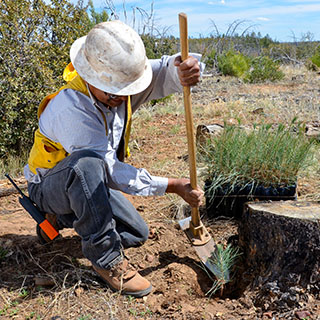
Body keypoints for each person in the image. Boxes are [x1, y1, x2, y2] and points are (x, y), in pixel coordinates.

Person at [24, 20, 204, 298]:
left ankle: (59, 217)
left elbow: (164, 71)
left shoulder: (120, 84)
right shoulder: (72, 107)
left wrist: (184, 68)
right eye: (113, 92)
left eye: (126, 89)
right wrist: (172, 185)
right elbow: (108, 170)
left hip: (85, 183)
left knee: (135, 233)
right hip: (49, 184)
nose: (122, 97)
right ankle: (107, 260)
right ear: (91, 77)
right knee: (87, 165)